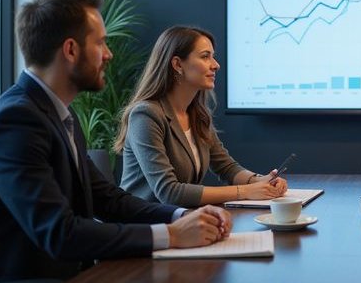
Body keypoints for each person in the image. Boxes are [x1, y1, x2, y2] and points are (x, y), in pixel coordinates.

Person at [0, 0, 232, 283]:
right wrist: (171, 235)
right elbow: (60, 233)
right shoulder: (16, 120)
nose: (108, 54)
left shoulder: (58, 114)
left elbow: (109, 199)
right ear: (71, 50)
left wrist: (181, 215)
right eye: (100, 43)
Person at [117, 26, 287, 207]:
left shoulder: (197, 115)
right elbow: (169, 192)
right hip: (142, 221)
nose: (216, 65)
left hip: (181, 217)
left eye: (212, 56)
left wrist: (260, 181)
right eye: (205, 56)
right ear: (177, 64)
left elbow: (227, 167)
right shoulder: (146, 115)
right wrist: (245, 191)